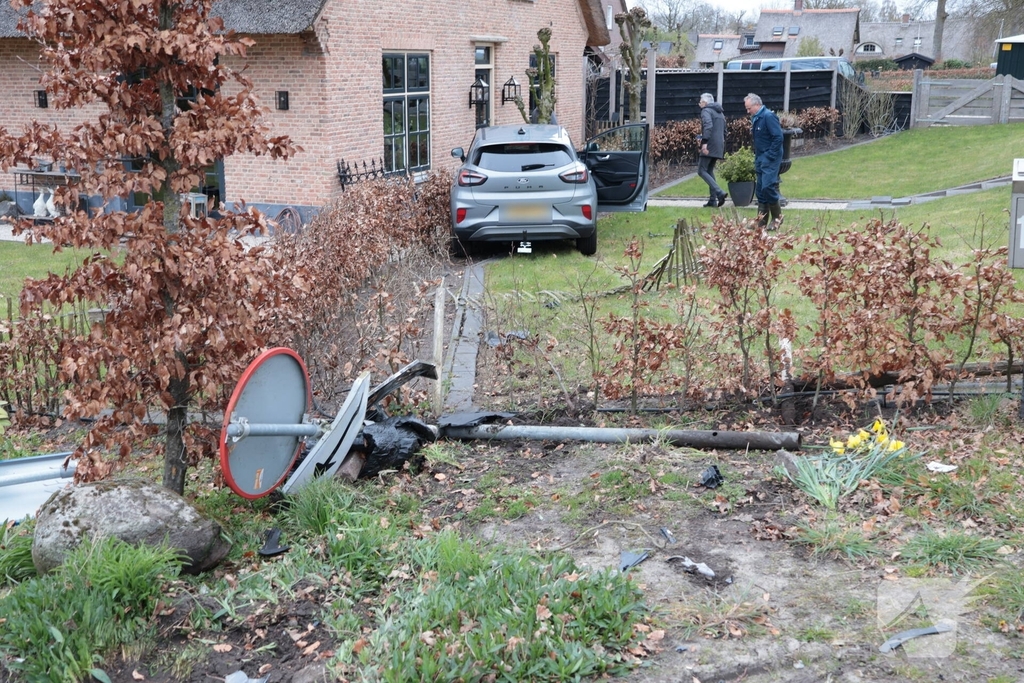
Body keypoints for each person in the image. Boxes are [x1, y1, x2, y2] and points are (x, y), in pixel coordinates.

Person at [744, 93, 784, 229]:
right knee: (760, 190)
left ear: (757, 105)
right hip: (760, 157)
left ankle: (778, 218)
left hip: (769, 158)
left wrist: (770, 156)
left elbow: (778, 137)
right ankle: (761, 222)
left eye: (749, 108)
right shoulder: (757, 118)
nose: (747, 111)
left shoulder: (768, 116)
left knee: (767, 187)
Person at [697, 93, 727, 208]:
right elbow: (725, 131)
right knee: (709, 171)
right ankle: (712, 201)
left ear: (705, 102)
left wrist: (704, 143)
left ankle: (719, 193)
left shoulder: (706, 111)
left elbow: (708, 126)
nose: (699, 104)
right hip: (719, 145)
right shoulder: (720, 112)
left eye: (701, 101)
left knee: (701, 170)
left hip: (709, 144)